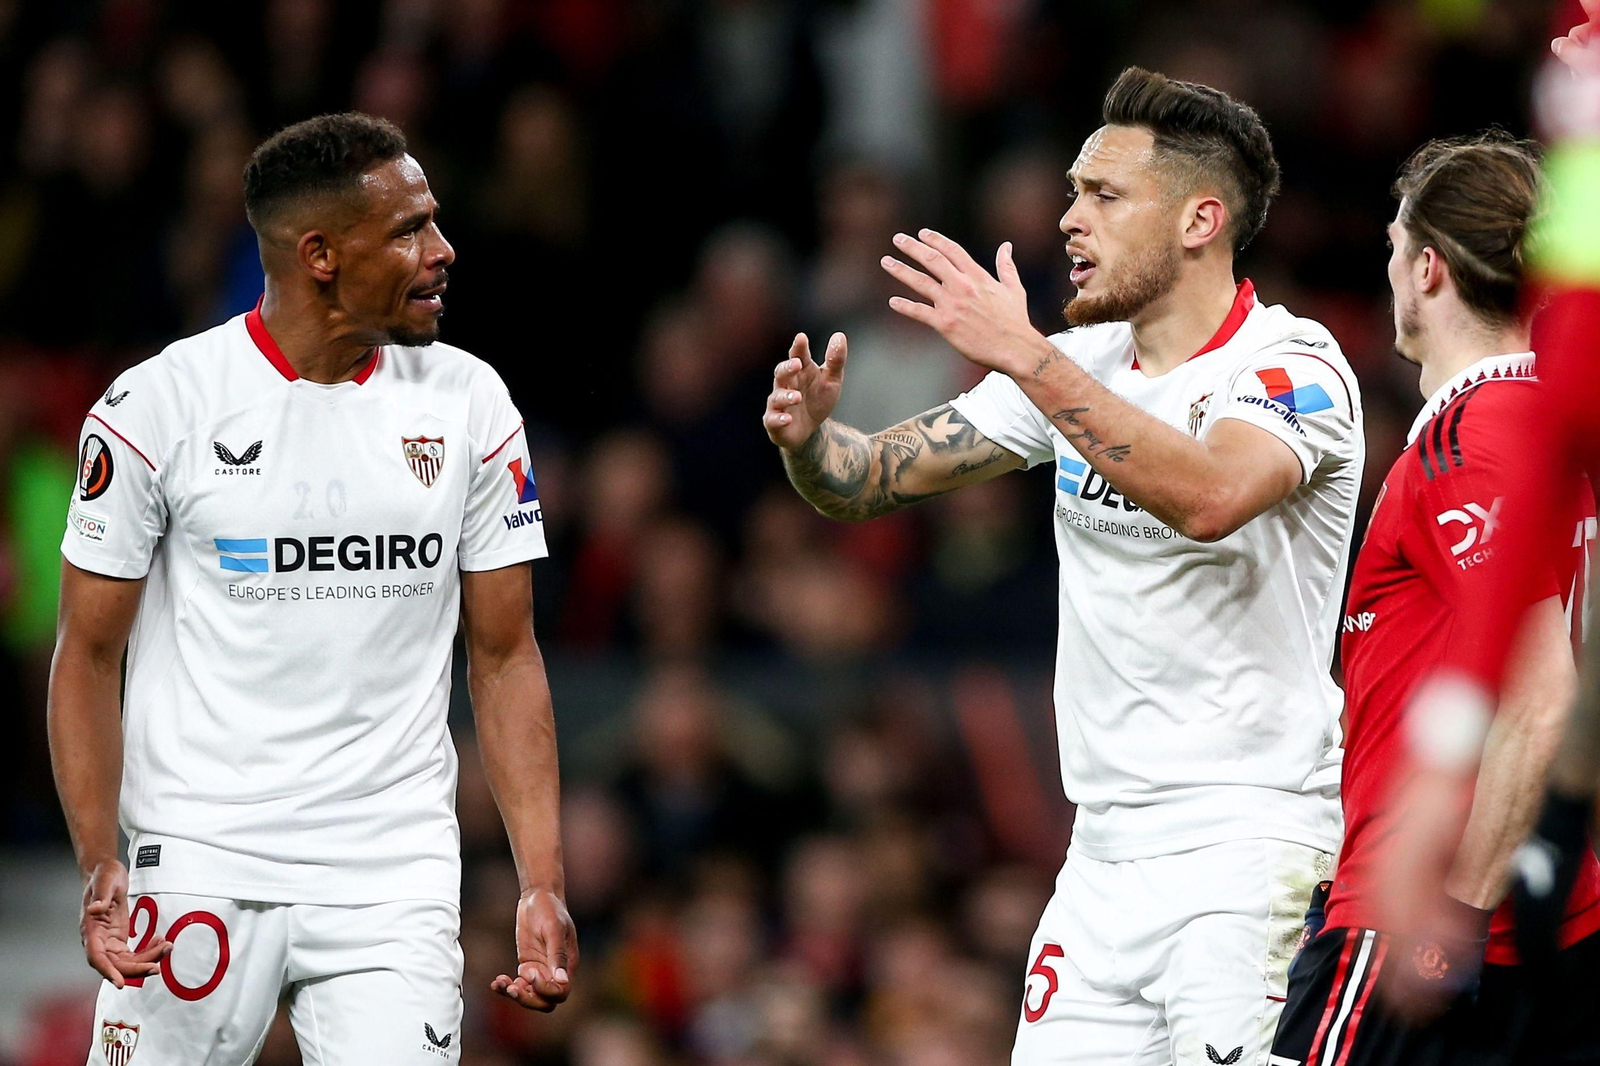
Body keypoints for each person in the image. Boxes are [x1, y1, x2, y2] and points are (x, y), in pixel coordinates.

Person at [764, 67, 1363, 1066]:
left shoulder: (1290, 366)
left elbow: (1211, 496)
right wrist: (808, 444)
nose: (1069, 220)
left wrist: (1025, 357)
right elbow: (864, 479)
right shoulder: (1081, 363)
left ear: (1198, 220)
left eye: (1104, 196)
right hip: (1099, 860)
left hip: (1245, 844)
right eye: (1073, 192)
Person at [50, 113, 577, 1065]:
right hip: (199, 856)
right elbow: (86, 655)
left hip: (392, 873)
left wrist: (541, 877)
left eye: (434, 222)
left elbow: (504, 656)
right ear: (321, 253)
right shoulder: (154, 409)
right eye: (410, 229)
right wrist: (100, 863)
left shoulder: (471, 405)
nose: (442, 250)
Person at [1265, 132, 1600, 1066]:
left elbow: (1541, 702)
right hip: (1541, 915)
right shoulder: (1551, 432)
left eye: (1391, 249)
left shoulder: (1473, 440)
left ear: (1429, 268)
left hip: (1417, 919)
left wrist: (1446, 917)